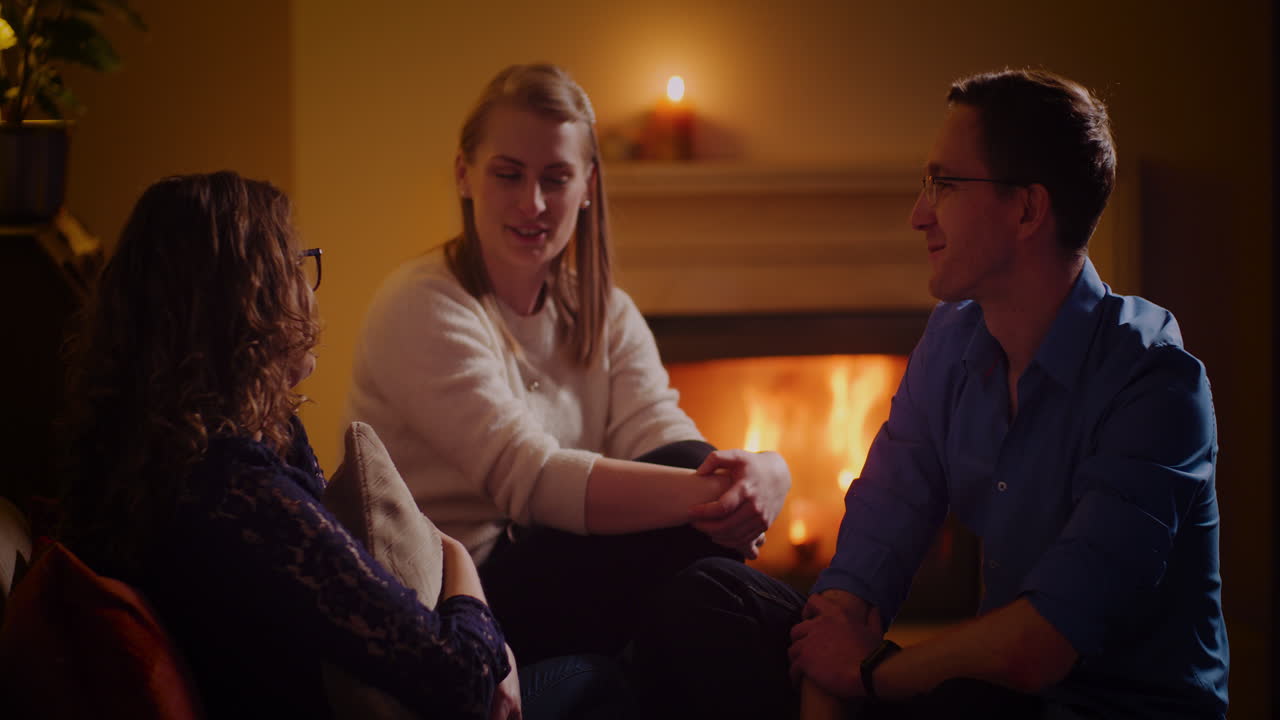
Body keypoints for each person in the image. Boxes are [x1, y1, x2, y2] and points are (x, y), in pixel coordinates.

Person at [630, 69, 1229, 720]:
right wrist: (832, 693)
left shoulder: (1156, 386)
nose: (919, 215)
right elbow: (862, 567)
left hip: (1101, 709)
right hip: (982, 696)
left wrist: (872, 673)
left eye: (944, 185)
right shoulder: (952, 341)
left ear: (1027, 209)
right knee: (713, 597)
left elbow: (1046, 643)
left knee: (964, 699)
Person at [56, 171, 629, 719]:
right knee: (603, 678)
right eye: (295, 269)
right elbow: (461, 677)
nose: (308, 294)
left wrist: (457, 567)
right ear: (245, 307)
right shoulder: (235, 493)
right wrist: (472, 590)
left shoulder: (174, 460)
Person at [344, 63, 792, 664]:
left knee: (702, 590)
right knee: (698, 532)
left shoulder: (603, 309)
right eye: (508, 174)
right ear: (464, 173)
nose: (532, 203)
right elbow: (531, 477)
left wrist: (766, 472)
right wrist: (723, 499)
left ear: (587, 187)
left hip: (554, 565)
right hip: (461, 595)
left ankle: (808, 665)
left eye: (556, 179)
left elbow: (660, 434)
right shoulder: (422, 305)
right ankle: (828, 664)